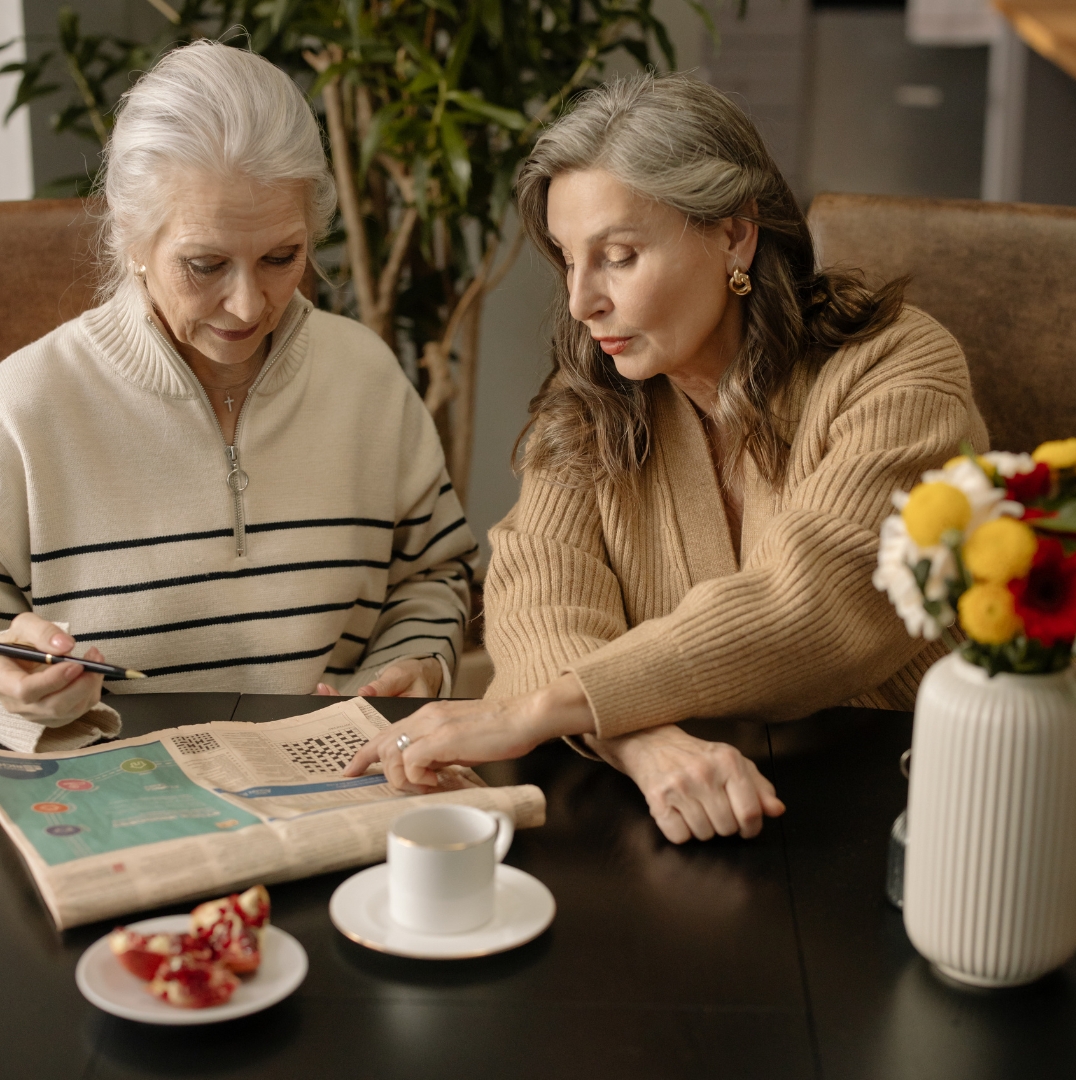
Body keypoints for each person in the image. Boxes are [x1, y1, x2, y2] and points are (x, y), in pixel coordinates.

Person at [346, 73, 988, 843]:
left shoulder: (901, 368)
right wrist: (646, 745)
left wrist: (529, 712)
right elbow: (536, 596)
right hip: (682, 816)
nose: (583, 302)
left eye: (617, 256)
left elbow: (815, 602)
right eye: (567, 258)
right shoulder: (595, 393)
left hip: (907, 809)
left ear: (733, 234)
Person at [0, 41, 477, 754]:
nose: (248, 304)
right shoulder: (23, 406)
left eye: (281, 258)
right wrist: (13, 685)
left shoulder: (367, 379)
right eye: (206, 264)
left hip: (340, 781)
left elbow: (434, 571)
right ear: (131, 234)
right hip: (115, 796)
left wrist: (416, 665)